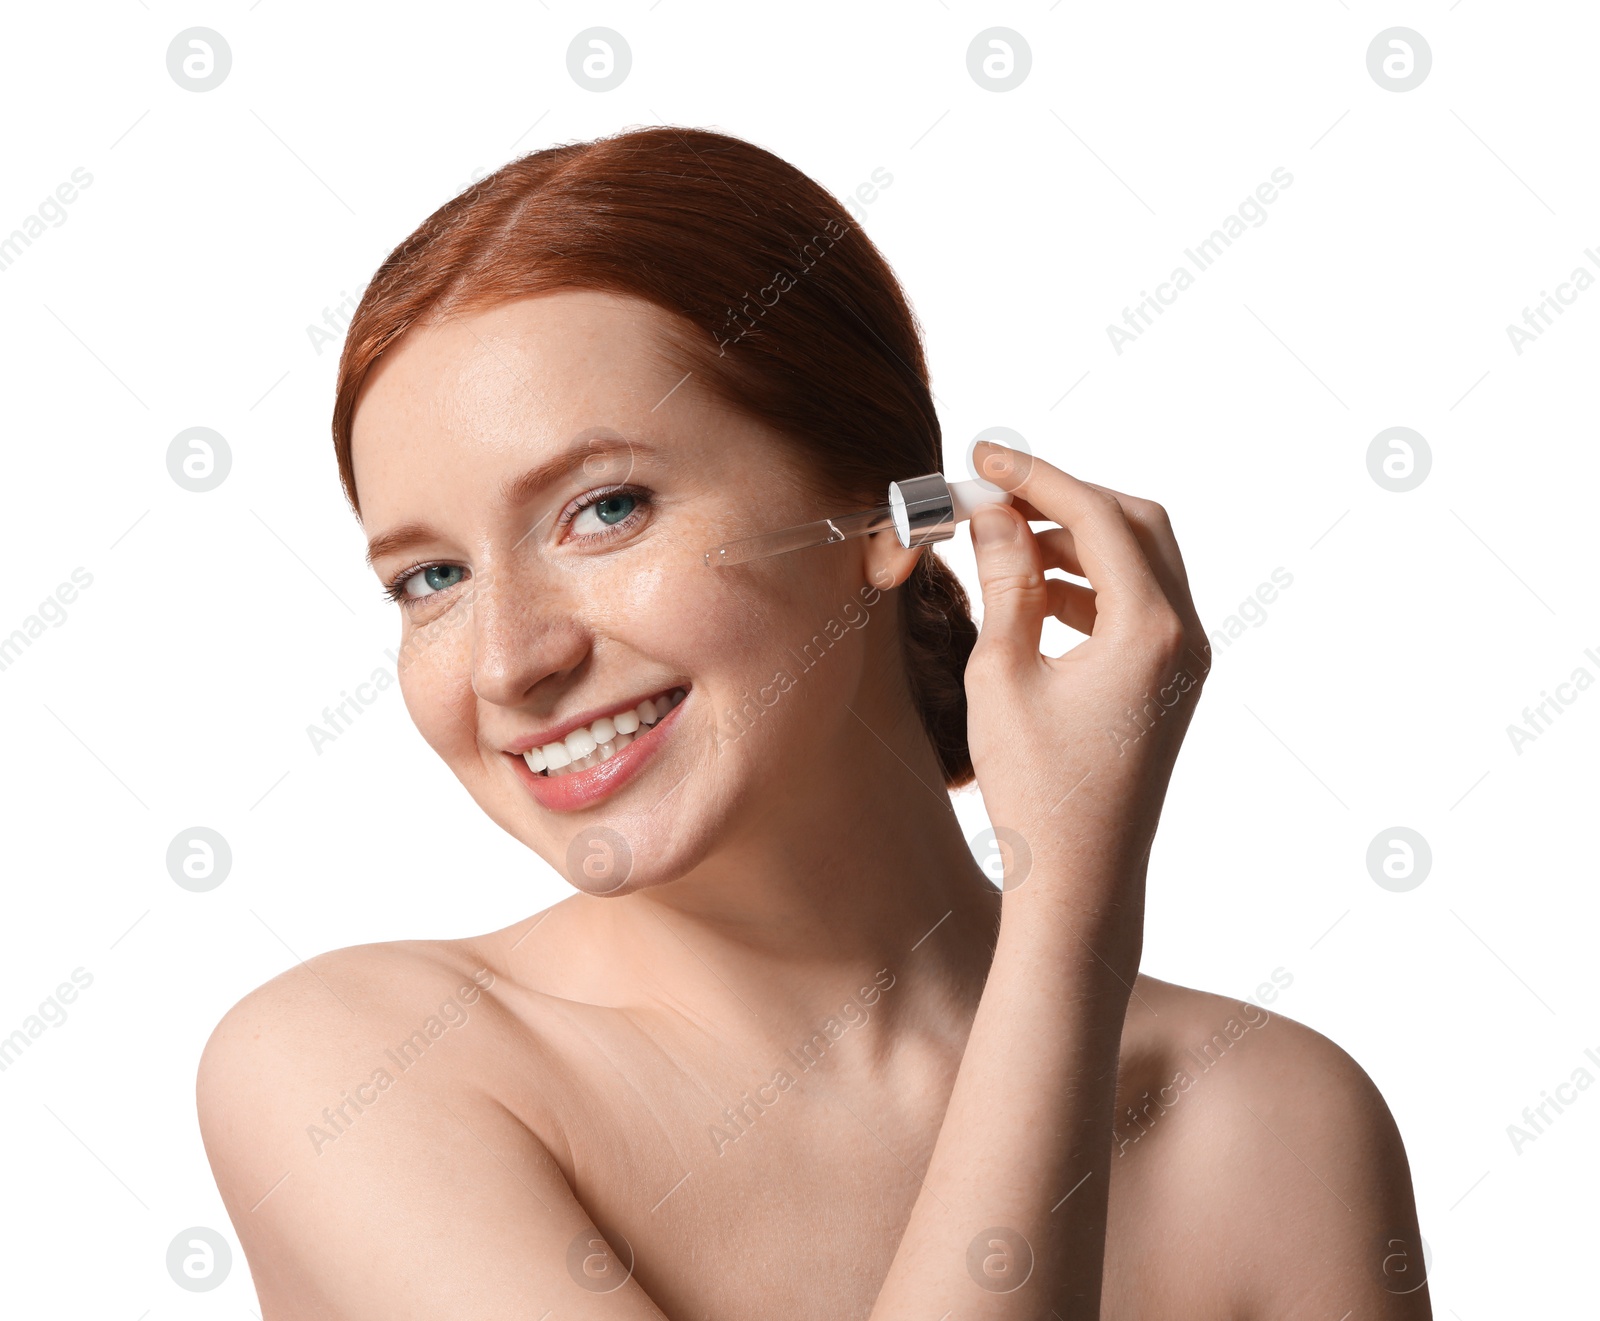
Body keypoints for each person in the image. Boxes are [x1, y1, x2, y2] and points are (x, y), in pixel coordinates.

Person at [197, 126, 1431, 1319]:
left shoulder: (1272, 1124)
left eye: (606, 508)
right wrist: (1068, 914)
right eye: (431, 580)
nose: (512, 661)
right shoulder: (354, 1076)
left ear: (886, 515)